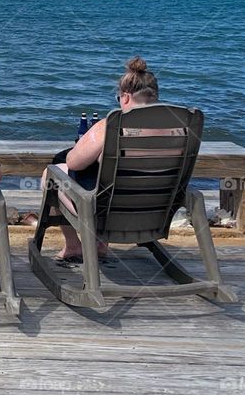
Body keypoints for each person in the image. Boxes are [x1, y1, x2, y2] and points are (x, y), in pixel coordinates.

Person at [45, 55, 162, 264]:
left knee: (53, 173)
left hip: (107, 216)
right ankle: (100, 245)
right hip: (156, 213)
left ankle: (74, 246)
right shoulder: (180, 127)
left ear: (125, 97)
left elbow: (73, 163)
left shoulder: (111, 125)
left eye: (119, 99)